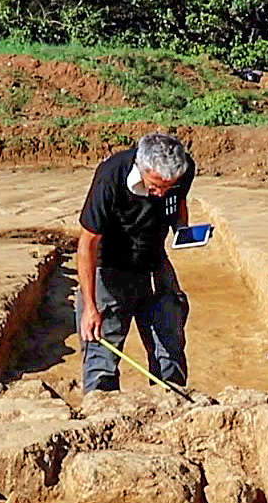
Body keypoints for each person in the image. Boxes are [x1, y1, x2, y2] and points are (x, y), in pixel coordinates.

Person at [75, 131, 196, 393]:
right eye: (154, 186)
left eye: (167, 187)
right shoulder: (111, 176)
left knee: (169, 344)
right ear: (142, 168)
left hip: (154, 262)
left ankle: (171, 401)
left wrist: (182, 229)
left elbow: (179, 201)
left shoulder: (184, 171)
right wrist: (90, 306)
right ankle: (101, 406)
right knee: (101, 352)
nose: (160, 194)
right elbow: (87, 244)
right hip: (109, 267)